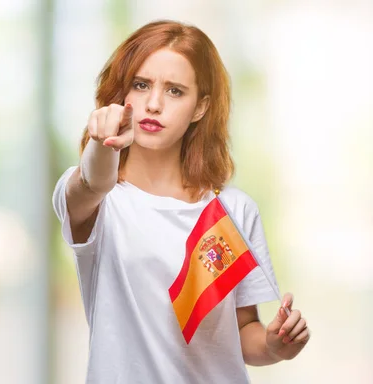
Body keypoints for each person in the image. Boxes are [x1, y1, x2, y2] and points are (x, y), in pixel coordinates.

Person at [52, 20, 310, 383]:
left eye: (175, 91)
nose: (154, 104)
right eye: (140, 86)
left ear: (200, 107)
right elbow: (92, 183)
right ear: (120, 93)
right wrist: (100, 143)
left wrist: (274, 345)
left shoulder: (233, 210)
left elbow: (243, 332)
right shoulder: (100, 201)